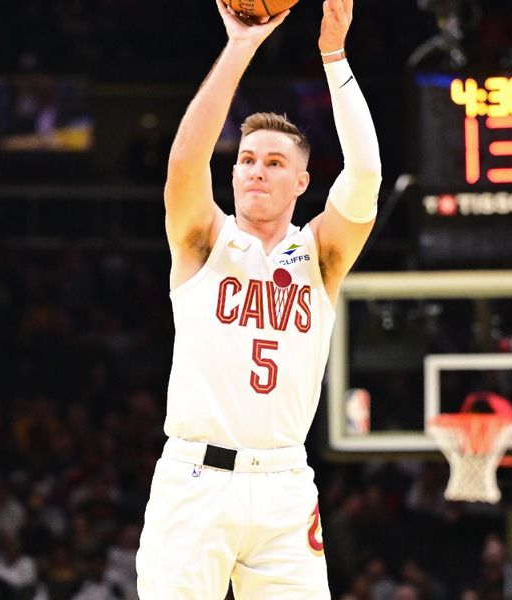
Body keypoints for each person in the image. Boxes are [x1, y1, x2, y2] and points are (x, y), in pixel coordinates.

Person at [136, 0, 382, 597]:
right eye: (246, 160)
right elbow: (183, 161)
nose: (256, 171)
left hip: (283, 484)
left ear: (302, 182)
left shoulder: (320, 255)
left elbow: (367, 175)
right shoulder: (202, 241)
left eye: (275, 163)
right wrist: (240, 46)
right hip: (195, 476)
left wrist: (335, 58)